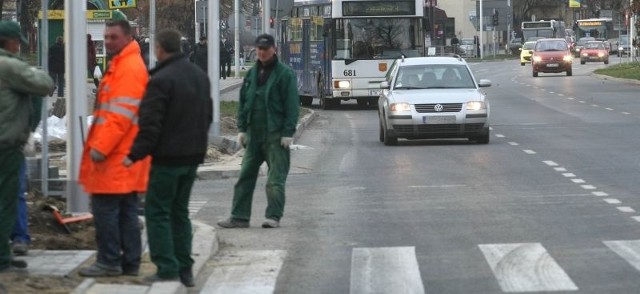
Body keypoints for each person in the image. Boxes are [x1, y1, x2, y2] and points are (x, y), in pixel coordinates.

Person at [124, 29, 212, 286]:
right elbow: (207, 115)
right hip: (193, 155)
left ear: (160, 49)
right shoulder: (198, 75)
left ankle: (166, 266)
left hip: (167, 159)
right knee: (180, 212)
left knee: (158, 211)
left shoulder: (160, 80)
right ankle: (185, 267)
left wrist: (133, 155)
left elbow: (150, 125)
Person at [77, 19, 151, 277]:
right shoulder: (123, 63)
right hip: (123, 154)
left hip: (114, 156)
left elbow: (119, 115)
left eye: (113, 37)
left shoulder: (128, 68)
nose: (107, 41)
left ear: (128, 37)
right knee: (126, 212)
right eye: (106, 37)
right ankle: (130, 262)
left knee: (106, 211)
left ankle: (109, 261)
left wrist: (100, 147)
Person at [217, 34, 299, 229]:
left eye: (265, 49)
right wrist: (242, 128)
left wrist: (288, 132)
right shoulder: (253, 74)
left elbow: (292, 106)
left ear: (274, 50)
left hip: (276, 135)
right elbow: (244, 102)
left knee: (275, 179)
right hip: (254, 135)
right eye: (259, 49)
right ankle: (239, 217)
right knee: (245, 175)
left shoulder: (284, 74)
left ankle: (273, 216)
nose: (262, 53)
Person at [0, 20, 54, 273]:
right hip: (7, 145)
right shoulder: (10, 66)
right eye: (17, 42)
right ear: (9, 42)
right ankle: (3, 256)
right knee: (8, 199)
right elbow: (45, 84)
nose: (20, 45)